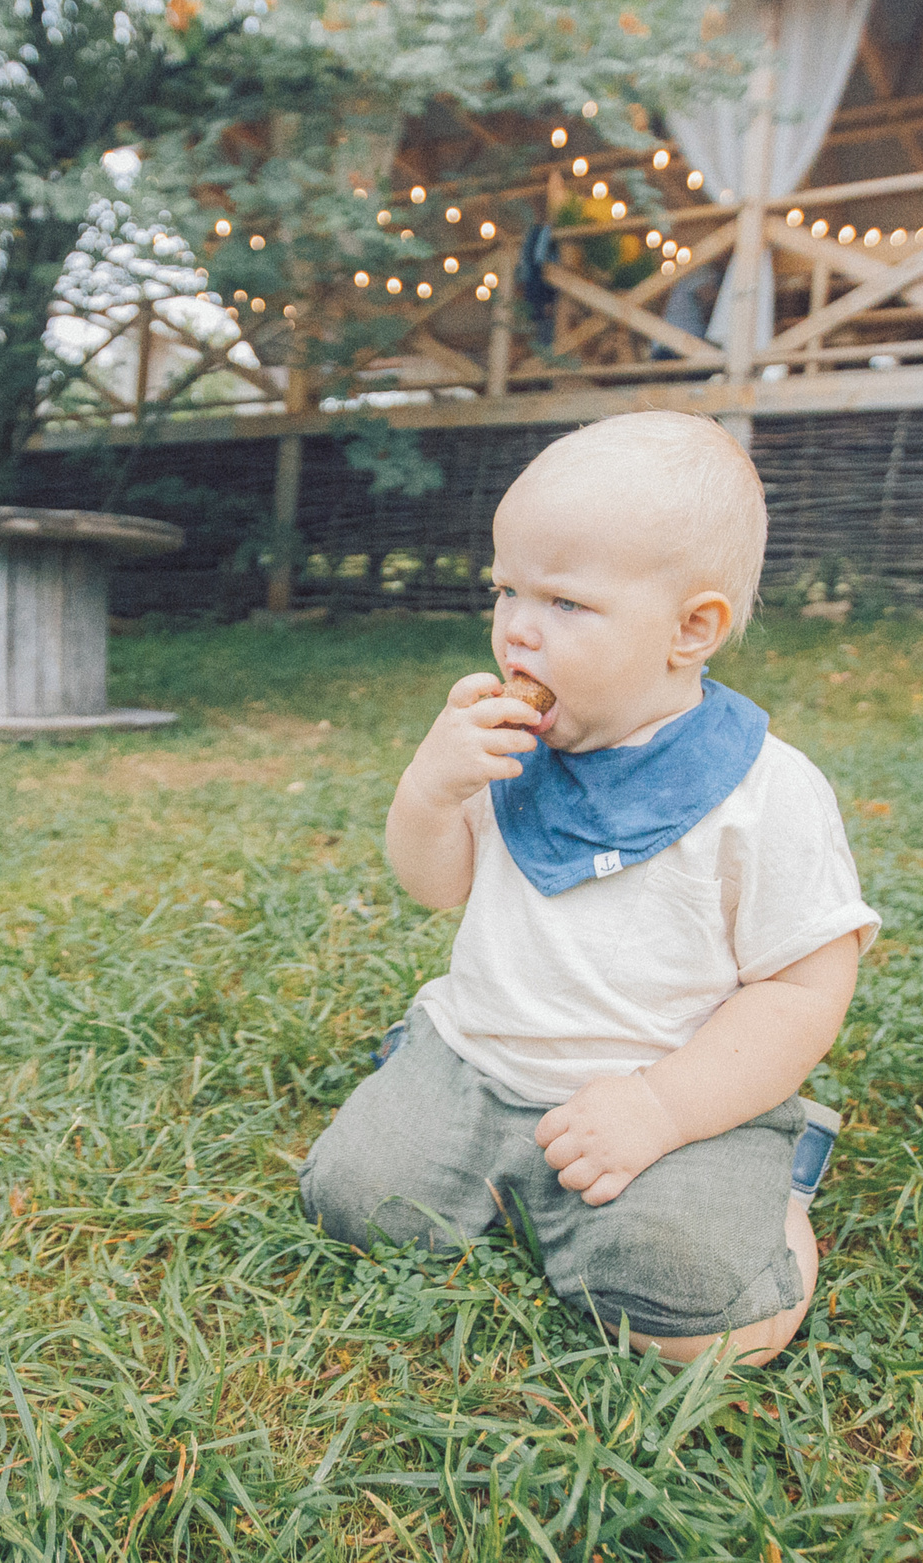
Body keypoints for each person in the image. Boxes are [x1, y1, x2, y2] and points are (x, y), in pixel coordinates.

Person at [299, 412, 879, 1365]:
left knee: (718, 1325)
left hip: (667, 1092)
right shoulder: (503, 744)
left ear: (692, 630)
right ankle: (454, 1114)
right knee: (349, 1201)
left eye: (565, 602)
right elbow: (434, 885)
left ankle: (777, 1182)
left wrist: (660, 1109)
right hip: (480, 1055)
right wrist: (429, 789)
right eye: (508, 589)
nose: (518, 626)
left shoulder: (765, 791)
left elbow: (804, 990)